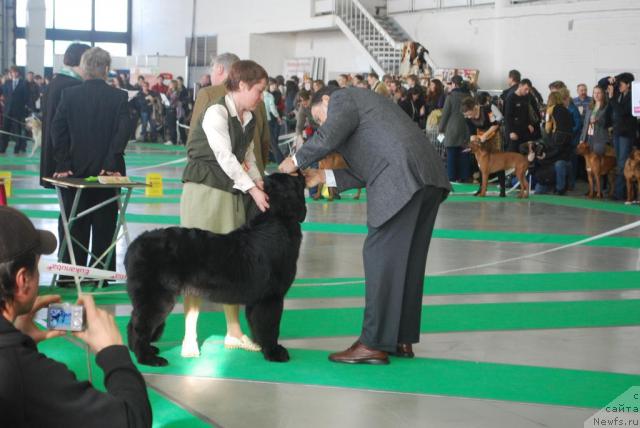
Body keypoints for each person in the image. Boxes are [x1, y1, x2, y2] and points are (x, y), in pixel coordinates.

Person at [279, 86, 450, 364]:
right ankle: (400, 338)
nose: (322, 124)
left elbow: (328, 135)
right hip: (425, 178)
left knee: (379, 256)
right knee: (407, 262)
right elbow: (364, 171)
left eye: (320, 117)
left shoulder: (343, 98)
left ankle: (372, 343)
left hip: (402, 178)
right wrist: (322, 176)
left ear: (326, 100)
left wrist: (294, 160)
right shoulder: (366, 116)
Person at [0, 206, 151, 427]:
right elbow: (133, 421)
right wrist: (114, 352)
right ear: (23, 281)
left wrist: (20, 339)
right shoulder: (24, 373)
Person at [180, 59, 269, 359]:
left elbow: (248, 157)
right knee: (195, 264)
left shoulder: (249, 116)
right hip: (203, 193)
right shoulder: (216, 112)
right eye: (259, 90)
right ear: (242, 86)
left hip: (232, 193)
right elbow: (225, 158)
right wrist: (254, 190)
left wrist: (259, 182)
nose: (261, 97)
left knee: (233, 264)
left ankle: (234, 331)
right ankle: (189, 335)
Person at [51, 47, 130, 277]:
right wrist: (110, 163)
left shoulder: (69, 95)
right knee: (105, 224)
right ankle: (100, 276)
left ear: (84, 68)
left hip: (74, 170)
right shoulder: (119, 97)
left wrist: (63, 164)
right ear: (106, 69)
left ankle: (69, 276)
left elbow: (58, 130)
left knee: (74, 223)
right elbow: (122, 133)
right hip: (108, 172)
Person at [40, 43, 91, 189]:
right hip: (67, 156)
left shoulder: (57, 81)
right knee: (72, 204)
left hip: (56, 152)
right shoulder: (71, 85)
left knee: (69, 205)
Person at [439, 75, 470, 182]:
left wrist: (441, 128)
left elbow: (445, 114)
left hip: (452, 129)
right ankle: (464, 176)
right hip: (466, 128)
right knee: (464, 153)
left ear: (454, 84)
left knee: (451, 154)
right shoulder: (469, 96)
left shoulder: (450, 97)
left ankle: (452, 177)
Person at [0, 66, 30, 154]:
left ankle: (17, 149)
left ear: (18, 73)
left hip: (18, 111)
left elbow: (26, 97)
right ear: (10, 73)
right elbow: (2, 93)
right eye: (12, 72)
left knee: (18, 131)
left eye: (15, 72)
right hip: (7, 111)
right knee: (5, 130)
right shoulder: (6, 83)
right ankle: (2, 148)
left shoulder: (24, 83)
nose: (14, 73)